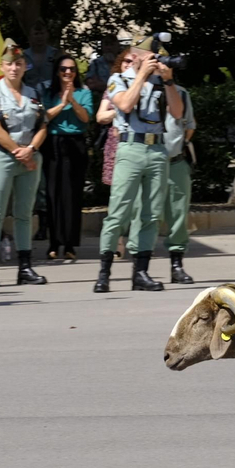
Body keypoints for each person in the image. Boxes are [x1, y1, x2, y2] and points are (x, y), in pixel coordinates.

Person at [93, 34, 179, 292]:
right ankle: (104, 272)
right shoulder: (118, 79)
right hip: (130, 146)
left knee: (151, 214)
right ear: (137, 56)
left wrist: (169, 81)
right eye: (150, 55)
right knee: (118, 212)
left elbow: (177, 112)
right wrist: (141, 75)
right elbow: (126, 105)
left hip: (157, 148)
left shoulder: (160, 82)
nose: (155, 59)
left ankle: (141, 272)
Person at [0, 38, 48, 288]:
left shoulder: (33, 94)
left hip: (29, 157)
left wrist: (30, 150)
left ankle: (25, 267)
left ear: (24, 66)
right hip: (2, 157)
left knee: (24, 214)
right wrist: (20, 151)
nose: (14, 68)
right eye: (9, 64)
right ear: (1, 66)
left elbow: (42, 126)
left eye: (19, 63)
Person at [42, 54, 91, 261]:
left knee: (72, 194)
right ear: (57, 72)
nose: (68, 73)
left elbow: (86, 118)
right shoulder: (49, 93)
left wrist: (72, 100)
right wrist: (62, 104)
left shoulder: (83, 92)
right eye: (63, 69)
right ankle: (54, 242)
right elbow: (44, 116)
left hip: (75, 143)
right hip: (53, 143)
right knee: (53, 194)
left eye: (71, 69)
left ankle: (70, 244)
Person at [158, 71, 197, 284]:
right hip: (151, 163)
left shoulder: (180, 93)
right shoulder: (142, 92)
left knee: (178, 215)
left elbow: (189, 125)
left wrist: (178, 145)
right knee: (142, 214)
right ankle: (140, 266)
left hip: (176, 162)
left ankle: (176, 264)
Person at [22, 20, 56, 90]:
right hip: (30, 95)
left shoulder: (55, 54)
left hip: (52, 94)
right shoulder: (24, 56)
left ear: (47, 35)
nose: (39, 36)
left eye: (42, 33)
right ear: (30, 36)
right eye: (36, 34)